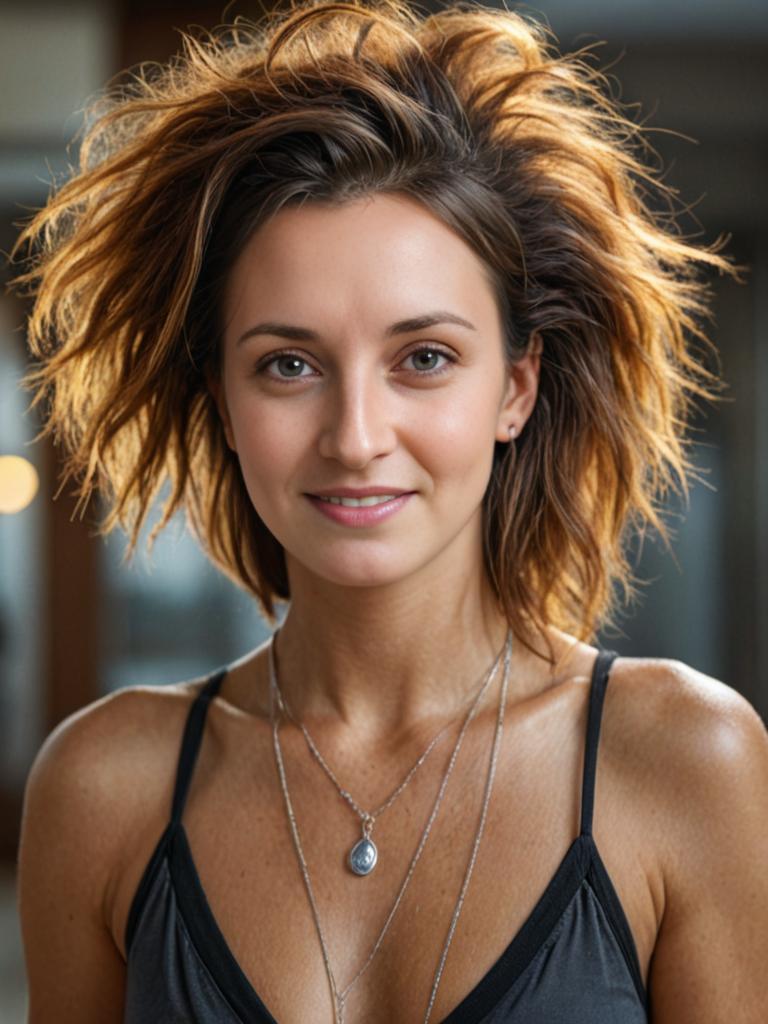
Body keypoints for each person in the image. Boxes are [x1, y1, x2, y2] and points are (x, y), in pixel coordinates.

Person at [11, 1, 768, 1021]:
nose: (356, 434)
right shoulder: (104, 786)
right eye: (288, 364)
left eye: (424, 358)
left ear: (516, 388)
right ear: (224, 403)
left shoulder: (685, 762)